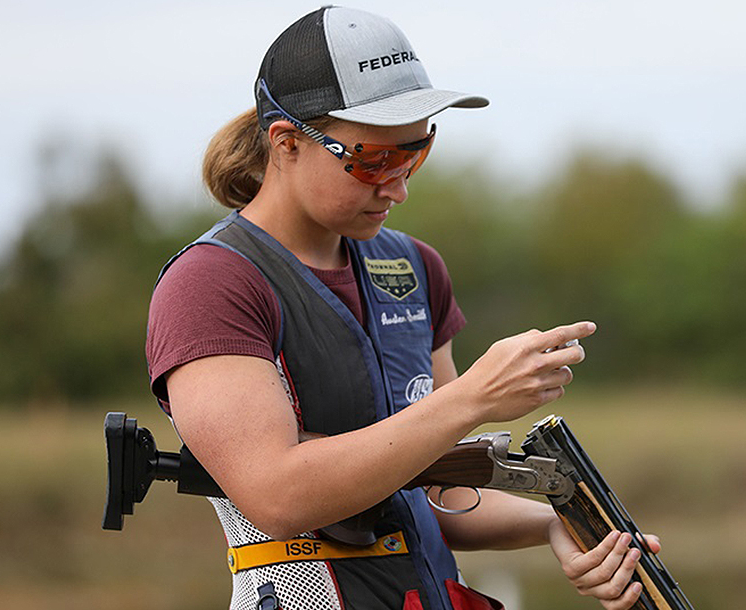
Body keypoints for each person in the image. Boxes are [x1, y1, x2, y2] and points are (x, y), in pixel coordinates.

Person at [146, 6, 659, 610]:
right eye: (373, 160)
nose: (399, 186)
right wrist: (471, 399)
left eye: (415, 151)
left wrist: (557, 525)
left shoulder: (417, 268)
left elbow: (440, 497)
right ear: (286, 143)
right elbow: (276, 497)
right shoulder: (210, 284)